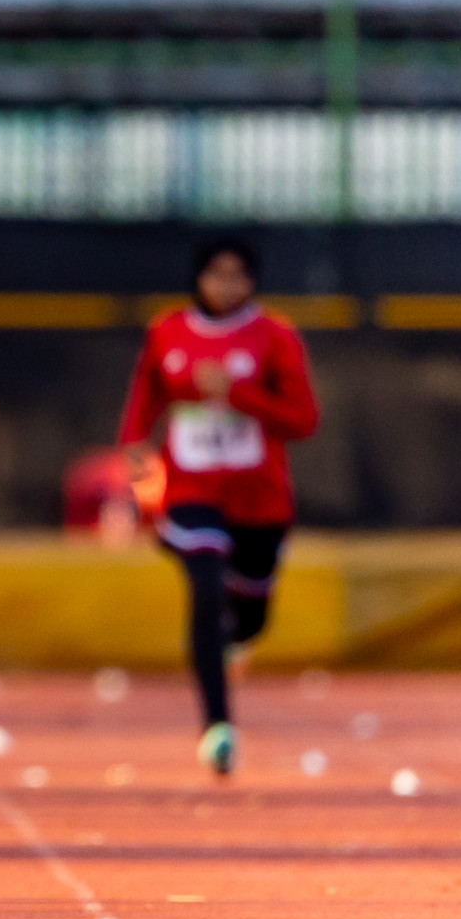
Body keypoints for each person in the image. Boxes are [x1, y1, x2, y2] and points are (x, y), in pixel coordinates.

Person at [118, 238, 319, 774]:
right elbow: (146, 392)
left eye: (238, 276)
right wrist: (134, 443)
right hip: (191, 491)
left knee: (250, 611)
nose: (226, 287)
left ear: (252, 281)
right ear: (199, 279)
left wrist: (238, 395)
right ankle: (217, 726)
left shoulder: (275, 336)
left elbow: (303, 420)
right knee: (206, 590)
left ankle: (240, 639)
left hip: (260, 500)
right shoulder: (168, 331)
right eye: (216, 275)